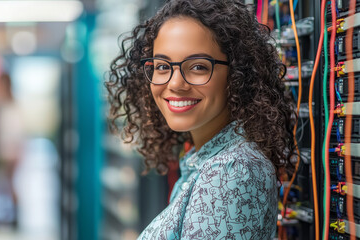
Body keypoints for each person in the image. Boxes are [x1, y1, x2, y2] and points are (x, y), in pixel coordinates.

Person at [105, 0, 296, 239]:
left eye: (197, 67)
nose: (175, 84)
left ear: (238, 74)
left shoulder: (232, 172)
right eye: (162, 66)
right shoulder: (205, 161)